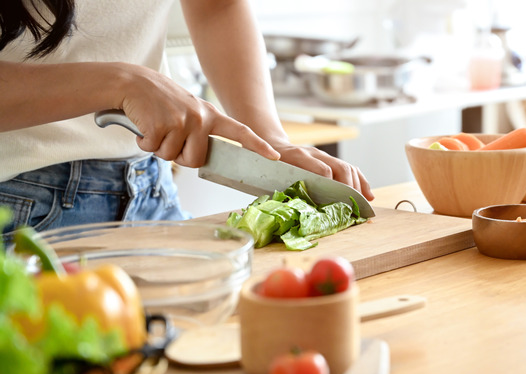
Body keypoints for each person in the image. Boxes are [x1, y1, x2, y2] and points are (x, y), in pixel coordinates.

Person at [0, 0, 374, 245]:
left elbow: (216, 7)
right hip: (20, 217)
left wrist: (272, 142)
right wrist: (121, 84)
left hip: (151, 191)